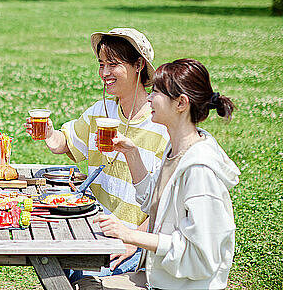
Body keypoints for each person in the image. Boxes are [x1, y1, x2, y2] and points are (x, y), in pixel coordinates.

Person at [24, 28, 169, 285]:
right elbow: (64, 144)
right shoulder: (100, 112)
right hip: (92, 227)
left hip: (130, 240)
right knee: (51, 258)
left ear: (139, 65)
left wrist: (132, 241)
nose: (104, 73)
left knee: (75, 276)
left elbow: (165, 204)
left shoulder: (161, 125)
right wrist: (48, 132)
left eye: (113, 64)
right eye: (101, 64)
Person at [94, 58, 239, 289]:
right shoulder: (176, 150)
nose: (149, 98)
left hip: (180, 285)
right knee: (83, 282)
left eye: (157, 92)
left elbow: (202, 257)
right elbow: (154, 203)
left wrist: (129, 235)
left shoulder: (200, 170)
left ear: (181, 103)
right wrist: (132, 154)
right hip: (159, 278)